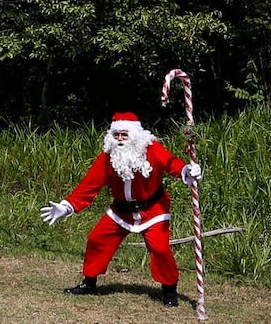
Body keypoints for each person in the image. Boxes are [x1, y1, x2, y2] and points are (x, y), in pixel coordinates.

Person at [40, 111, 201, 307]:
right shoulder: (108, 157)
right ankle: (89, 283)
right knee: (97, 239)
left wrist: (186, 170)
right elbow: (89, 185)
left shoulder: (152, 149)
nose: (120, 139)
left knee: (159, 248)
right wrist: (67, 206)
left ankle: (169, 290)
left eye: (124, 135)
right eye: (116, 135)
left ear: (134, 135)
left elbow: (171, 163)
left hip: (153, 209)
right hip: (121, 211)